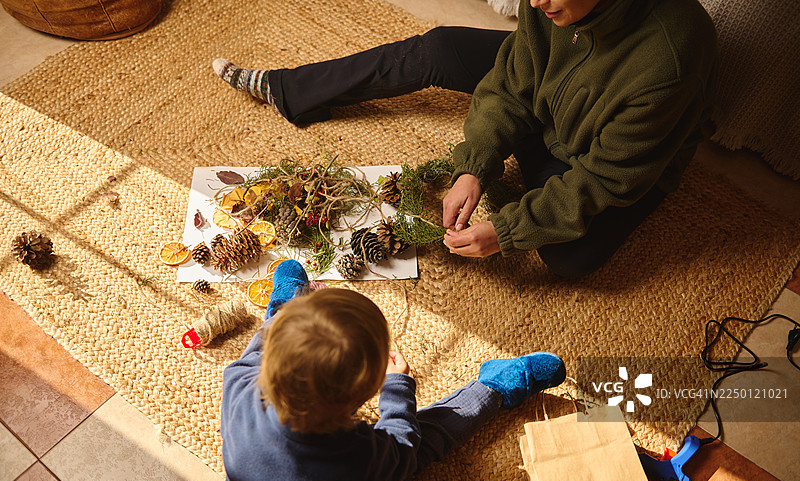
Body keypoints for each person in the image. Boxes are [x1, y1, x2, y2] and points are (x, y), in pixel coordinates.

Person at [212, 0, 718, 277]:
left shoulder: (669, 60)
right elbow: (510, 86)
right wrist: (474, 164)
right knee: (442, 47)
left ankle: (533, 204)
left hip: (598, 160)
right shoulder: (550, 8)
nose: (535, 2)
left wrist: (509, 231)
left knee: (568, 258)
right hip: (549, 106)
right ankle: (289, 88)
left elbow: (605, 180)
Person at [221, 259, 566, 481]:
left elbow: (264, 345)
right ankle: (493, 388)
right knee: (422, 443)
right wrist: (396, 387)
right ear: (362, 397)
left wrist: (288, 315)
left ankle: (284, 307)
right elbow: (402, 444)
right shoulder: (356, 456)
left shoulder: (237, 381)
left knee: (270, 339)